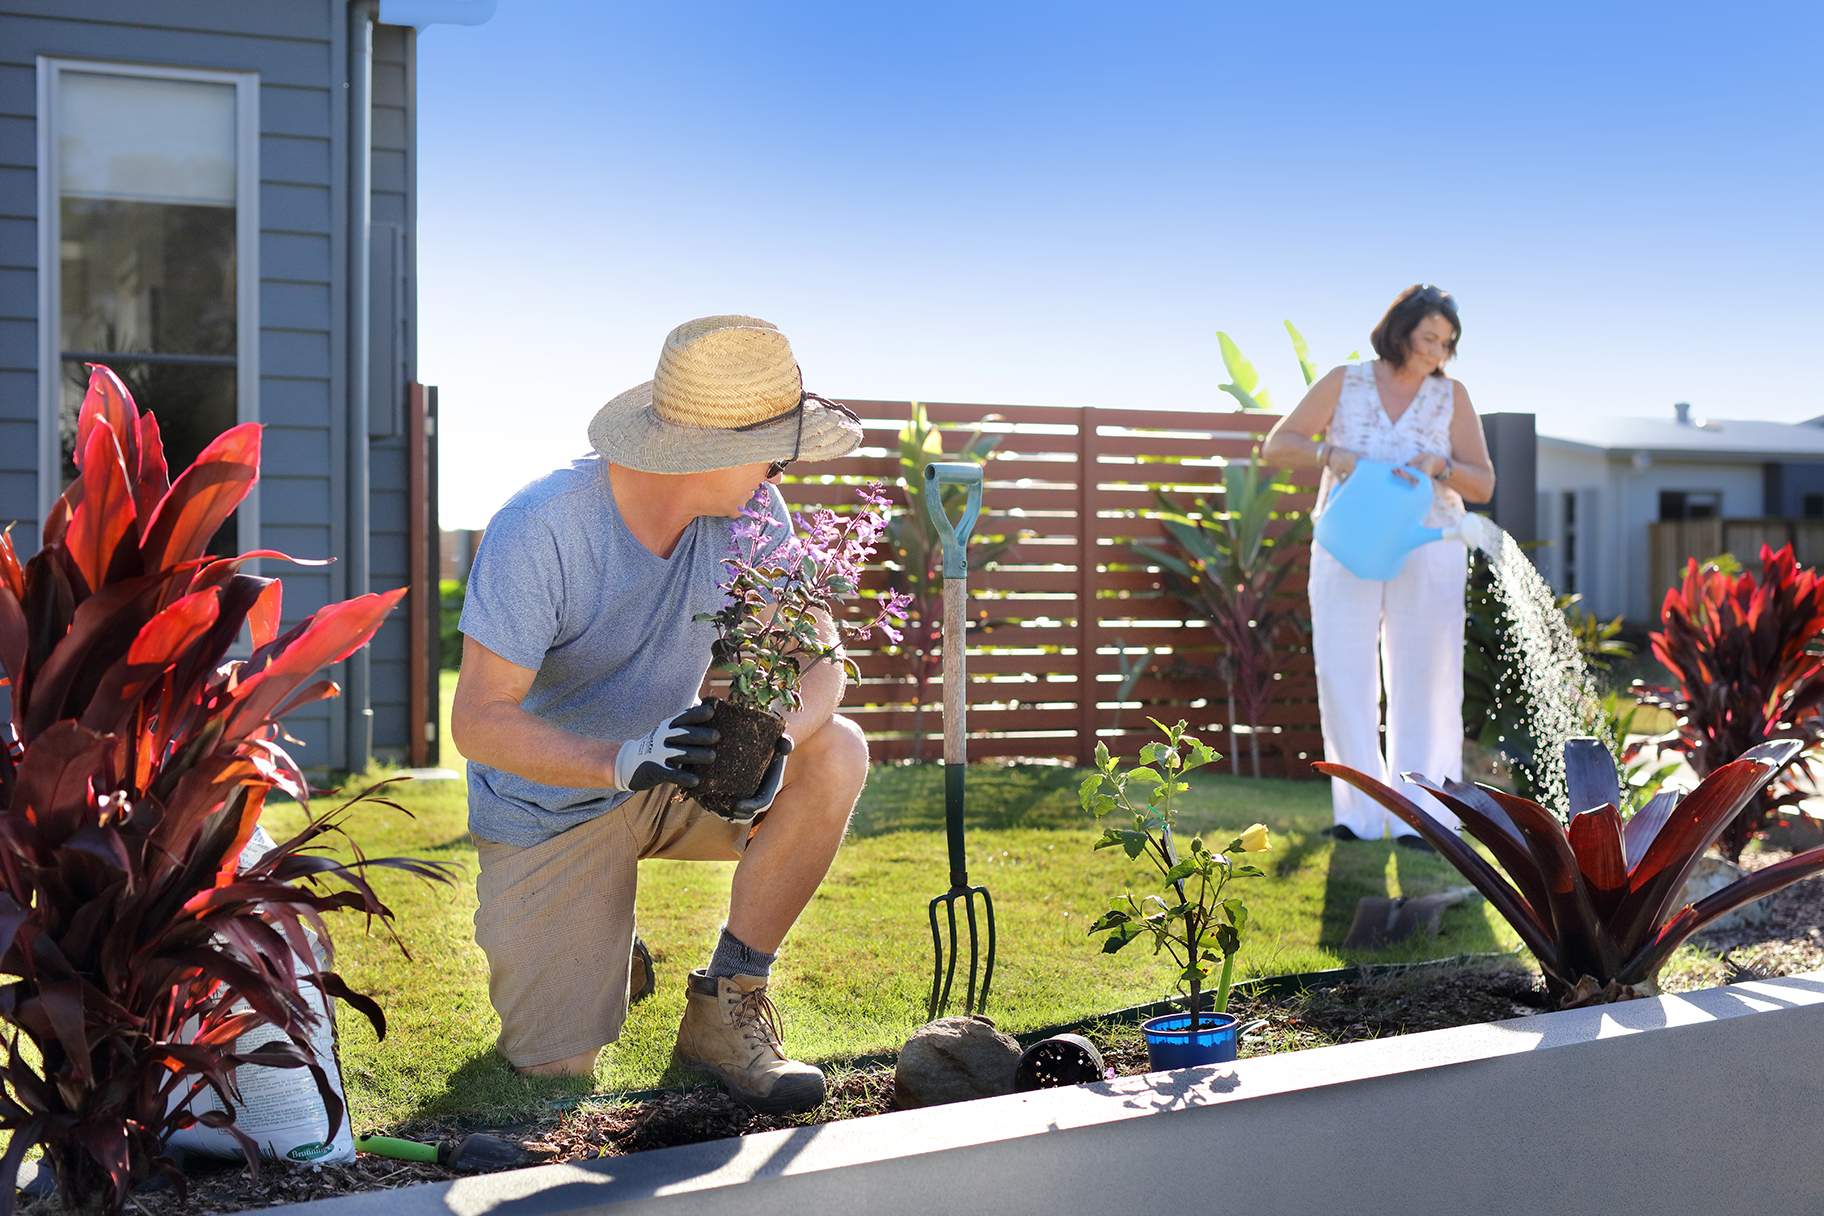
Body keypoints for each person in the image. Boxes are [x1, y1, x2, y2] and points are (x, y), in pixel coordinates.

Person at [449, 315, 870, 1114]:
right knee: (555, 1073)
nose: (782, 471)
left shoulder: (753, 515)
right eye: (774, 450)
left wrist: (779, 737)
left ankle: (729, 1000)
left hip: (676, 773)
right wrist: (621, 757)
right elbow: (478, 721)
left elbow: (821, 662)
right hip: (552, 805)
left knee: (837, 750)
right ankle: (601, 948)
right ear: (704, 452)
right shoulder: (544, 527)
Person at [1261, 285, 1495, 846]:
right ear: (1400, 331)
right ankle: (1359, 817)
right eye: (1428, 339)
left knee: (1428, 677)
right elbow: (1277, 444)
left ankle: (1424, 816)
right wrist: (1328, 454)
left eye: (1447, 343)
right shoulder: (1346, 382)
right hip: (1348, 541)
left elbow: (1483, 483)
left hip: (1429, 541)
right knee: (1344, 671)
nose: (1437, 352)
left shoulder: (1452, 395)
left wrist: (1442, 464)